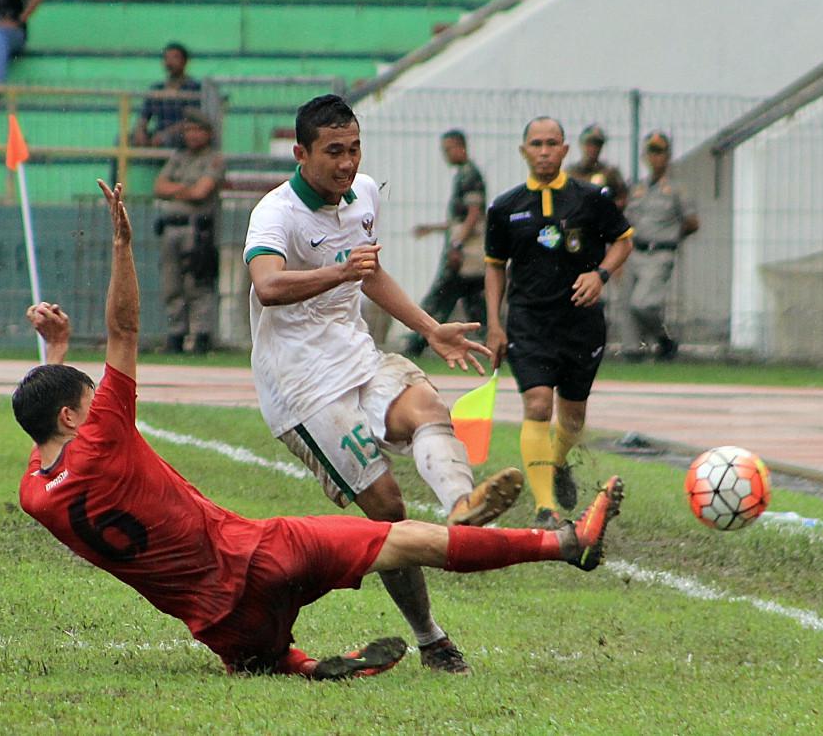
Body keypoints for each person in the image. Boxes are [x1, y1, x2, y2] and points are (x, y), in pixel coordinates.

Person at [13, 179, 625, 679]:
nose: (100, 401)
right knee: (409, 536)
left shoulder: (35, 492)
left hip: (222, 627)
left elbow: (52, 424)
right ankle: (565, 544)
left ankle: (301, 666)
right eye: (88, 398)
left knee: (262, 656)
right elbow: (123, 331)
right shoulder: (103, 438)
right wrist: (122, 245)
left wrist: (57, 350)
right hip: (259, 557)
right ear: (72, 418)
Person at [243, 95, 522, 675]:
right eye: (333, 152)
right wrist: (339, 272)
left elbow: (371, 275)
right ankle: (431, 638)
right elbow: (268, 286)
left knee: (426, 406)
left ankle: (462, 506)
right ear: (301, 153)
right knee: (388, 512)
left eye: (354, 149)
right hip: (300, 387)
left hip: (356, 355)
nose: (347, 164)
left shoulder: (364, 194)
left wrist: (429, 328)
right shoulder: (276, 214)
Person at [485, 116, 633, 529]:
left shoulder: (591, 198)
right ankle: (545, 508)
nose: (545, 151)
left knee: (572, 419)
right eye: (537, 143)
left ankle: (556, 462)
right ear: (524, 151)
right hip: (529, 323)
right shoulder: (504, 207)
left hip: (581, 323)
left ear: (565, 150)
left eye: (552, 143)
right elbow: (495, 268)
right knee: (536, 404)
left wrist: (599, 274)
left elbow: (623, 241)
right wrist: (494, 324)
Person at [404, 129, 488, 358]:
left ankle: (417, 341)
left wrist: (457, 245)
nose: (447, 154)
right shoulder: (464, 174)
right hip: (464, 250)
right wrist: (432, 228)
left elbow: (472, 215)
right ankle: (494, 342)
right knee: (473, 302)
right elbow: (458, 220)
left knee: (441, 295)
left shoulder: (470, 175)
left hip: (466, 254)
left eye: (449, 149)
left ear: (461, 147)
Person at [620, 131, 700, 361]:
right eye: (651, 152)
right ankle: (632, 353)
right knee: (627, 307)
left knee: (643, 303)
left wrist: (671, 236)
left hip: (659, 252)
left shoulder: (676, 189)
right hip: (635, 250)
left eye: (660, 152)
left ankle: (663, 338)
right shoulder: (638, 188)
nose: (655, 157)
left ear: (667, 156)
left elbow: (692, 222)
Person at [152, 110, 226, 354]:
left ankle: (200, 336)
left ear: (208, 133)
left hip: (196, 229)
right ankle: (176, 336)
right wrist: (186, 189)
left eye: (198, 130)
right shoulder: (178, 157)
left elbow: (201, 192)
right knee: (171, 284)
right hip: (171, 226)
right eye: (189, 130)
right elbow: (159, 186)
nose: (192, 135)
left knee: (197, 283)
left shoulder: (213, 159)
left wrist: (176, 190)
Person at [130, 43, 203, 149]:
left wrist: (166, 134)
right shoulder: (157, 88)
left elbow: (192, 120)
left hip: (181, 135)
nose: (169, 62)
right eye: (166, 58)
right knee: (121, 140)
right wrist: (140, 131)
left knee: (168, 141)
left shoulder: (194, 88)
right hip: (158, 135)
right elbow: (144, 116)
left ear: (185, 61)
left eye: (175, 57)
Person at [566, 124, 628, 209]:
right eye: (589, 143)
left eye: (597, 144)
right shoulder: (570, 173)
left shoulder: (610, 173)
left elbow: (623, 199)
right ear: (582, 144)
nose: (593, 148)